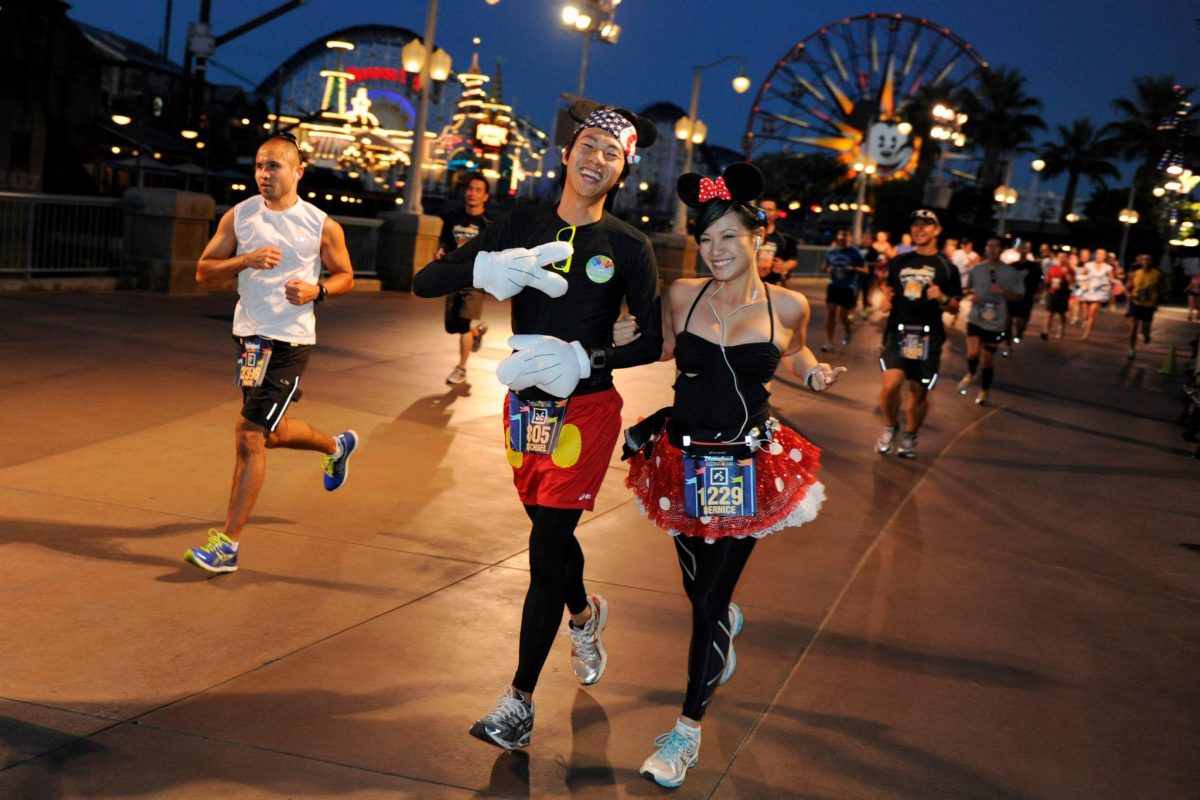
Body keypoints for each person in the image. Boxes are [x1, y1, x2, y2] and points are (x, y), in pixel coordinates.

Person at [413, 100, 663, 751]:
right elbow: (424, 281)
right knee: (549, 534)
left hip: (588, 412)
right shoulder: (521, 224)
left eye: (611, 153)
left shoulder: (629, 245)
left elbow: (653, 339)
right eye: (588, 146)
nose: (596, 159)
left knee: (546, 547)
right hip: (524, 410)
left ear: (623, 170)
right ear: (567, 153)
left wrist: (588, 358)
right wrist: (485, 268)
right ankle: (584, 613)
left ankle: (519, 702)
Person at [613, 162, 844, 788]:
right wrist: (620, 332)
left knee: (708, 602)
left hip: (747, 466)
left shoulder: (787, 303)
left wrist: (813, 372)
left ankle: (685, 732)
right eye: (705, 238)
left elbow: (794, 349)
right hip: (680, 462)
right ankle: (722, 625)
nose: (715, 250)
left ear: (757, 239)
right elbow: (661, 347)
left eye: (729, 237)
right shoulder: (683, 295)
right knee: (699, 593)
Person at [187, 131, 358, 574]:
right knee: (270, 434)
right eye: (259, 166)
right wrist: (244, 260)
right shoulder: (240, 215)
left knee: (248, 435)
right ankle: (336, 446)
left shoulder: (320, 224)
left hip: (290, 342)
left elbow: (345, 275)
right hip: (249, 340)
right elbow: (203, 273)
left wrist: (318, 290)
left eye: (274, 166)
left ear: (298, 171)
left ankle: (228, 545)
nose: (264, 174)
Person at [876, 209, 962, 458]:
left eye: (926, 225)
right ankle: (891, 426)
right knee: (890, 386)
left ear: (937, 230)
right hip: (899, 332)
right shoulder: (899, 261)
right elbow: (890, 287)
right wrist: (886, 299)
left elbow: (955, 305)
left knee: (918, 391)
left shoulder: (947, 268)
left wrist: (942, 297)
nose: (920, 229)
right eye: (916, 224)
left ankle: (911, 434)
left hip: (928, 336)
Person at [439, 174, 493, 384]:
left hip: (475, 281)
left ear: (485, 196)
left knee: (463, 324)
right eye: (470, 189)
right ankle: (477, 331)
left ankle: (461, 368)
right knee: (452, 326)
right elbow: (444, 244)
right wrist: (440, 253)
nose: (472, 193)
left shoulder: (489, 223)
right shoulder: (452, 218)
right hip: (454, 278)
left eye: (478, 190)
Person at [956, 240, 1025, 404]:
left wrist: (1003, 292)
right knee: (972, 353)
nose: (992, 249)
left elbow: (1019, 296)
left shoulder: (1011, 272)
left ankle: (984, 390)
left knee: (987, 360)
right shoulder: (977, 269)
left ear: (1002, 250)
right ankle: (971, 373)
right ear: (985, 249)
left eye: (996, 246)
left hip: (996, 322)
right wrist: (971, 295)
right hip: (975, 318)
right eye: (989, 246)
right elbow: (967, 289)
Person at [820, 228, 865, 351]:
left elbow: (865, 270)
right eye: (841, 235)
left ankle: (848, 328)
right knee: (831, 313)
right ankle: (829, 342)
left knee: (843, 317)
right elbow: (824, 267)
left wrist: (853, 268)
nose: (843, 238)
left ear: (850, 238)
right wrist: (827, 269)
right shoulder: (832, 251)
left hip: (848, 287)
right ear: (838, 236)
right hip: (833, 286)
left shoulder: (855, 252)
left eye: (846, 235)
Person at [1126, 252, 1166, 359]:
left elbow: (1164, 288)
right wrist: (1129, 293)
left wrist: (1157, 295)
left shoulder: (1157, 274)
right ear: (1140, 261)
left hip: (1148, 305)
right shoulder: (1135, 273)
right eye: (1144, 260)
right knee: (1133, 327)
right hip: (1135, 303)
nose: (1146, 262)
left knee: (1145, 329)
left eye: (1148, 260)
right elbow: (1128, 287)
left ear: (1152, 262)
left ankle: (1146, 335)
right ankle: (1131, 349)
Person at [1006, 243, 1043, 350]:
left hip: (1026, 297)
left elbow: (1041, 281)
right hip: (1012, 296)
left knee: (1021, 322)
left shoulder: (1034, 266)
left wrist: (1038, 293)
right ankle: (1008, 342)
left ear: (1028, 251)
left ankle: (1019, 333)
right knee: (1007, 320)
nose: (1023, 251)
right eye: (1021, 249)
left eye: (1025, 249)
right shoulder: (1012, 265)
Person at [755, 195, 798, 285]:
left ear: (777, 212)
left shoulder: (785, 237)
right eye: (762, 209)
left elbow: (793, 260)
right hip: (749, 282)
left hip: (773, 284)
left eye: (770, 210)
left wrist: (783, 266)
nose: (765, 213)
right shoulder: (747, 233)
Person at [1078, 247, 1115, 340]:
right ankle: (1085, 321)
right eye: (1098, 254)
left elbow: (1111, 279)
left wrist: (1108, 282)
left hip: (1099, 292)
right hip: (1088, 290)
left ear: (1104, 256)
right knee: (1085, 314)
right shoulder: (1088, 265)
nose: (1099, 256)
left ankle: (1086, 333)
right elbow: (1081, 275)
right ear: (1095, 255)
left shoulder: (1108, 268)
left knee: (1092, 313)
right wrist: (1083, 283)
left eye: (1102, 254)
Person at [1040, 252, 1074, 340]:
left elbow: (1071, 282)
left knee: (1062, 314)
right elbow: (1047, 280)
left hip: (1063, 294)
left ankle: (1061, 329)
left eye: (1063, 257)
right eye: (1060, 257)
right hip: (1052, 293)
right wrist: (1047, 281)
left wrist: (1066, 273)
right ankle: (1045, 331)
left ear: (1066, 258)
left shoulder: (1069, 269)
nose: (1061, 259)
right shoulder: (1053, 268)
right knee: (1049, 313)